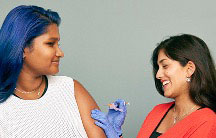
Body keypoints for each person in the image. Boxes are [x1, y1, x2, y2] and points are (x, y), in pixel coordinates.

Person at [0, 5, 106, 138]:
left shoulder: (70, 88)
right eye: (50, 44)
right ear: (22, 48)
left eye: (58, 44)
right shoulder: (3, 109)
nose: (60, 53)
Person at [91, 34, 216, 138]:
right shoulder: (158, 112)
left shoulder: (207, 121)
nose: (158, 75)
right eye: (158, 68)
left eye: (165, 66)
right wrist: (116, 134)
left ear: (189, 69)